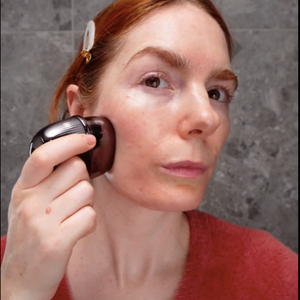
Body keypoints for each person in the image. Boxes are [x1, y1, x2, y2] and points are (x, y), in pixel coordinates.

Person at [1, 0, 298, 299]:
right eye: (154, 81)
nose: (207, 118)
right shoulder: (10, 270)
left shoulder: (277, 277)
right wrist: (20, 291)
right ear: (81, 109)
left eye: (215, 93)